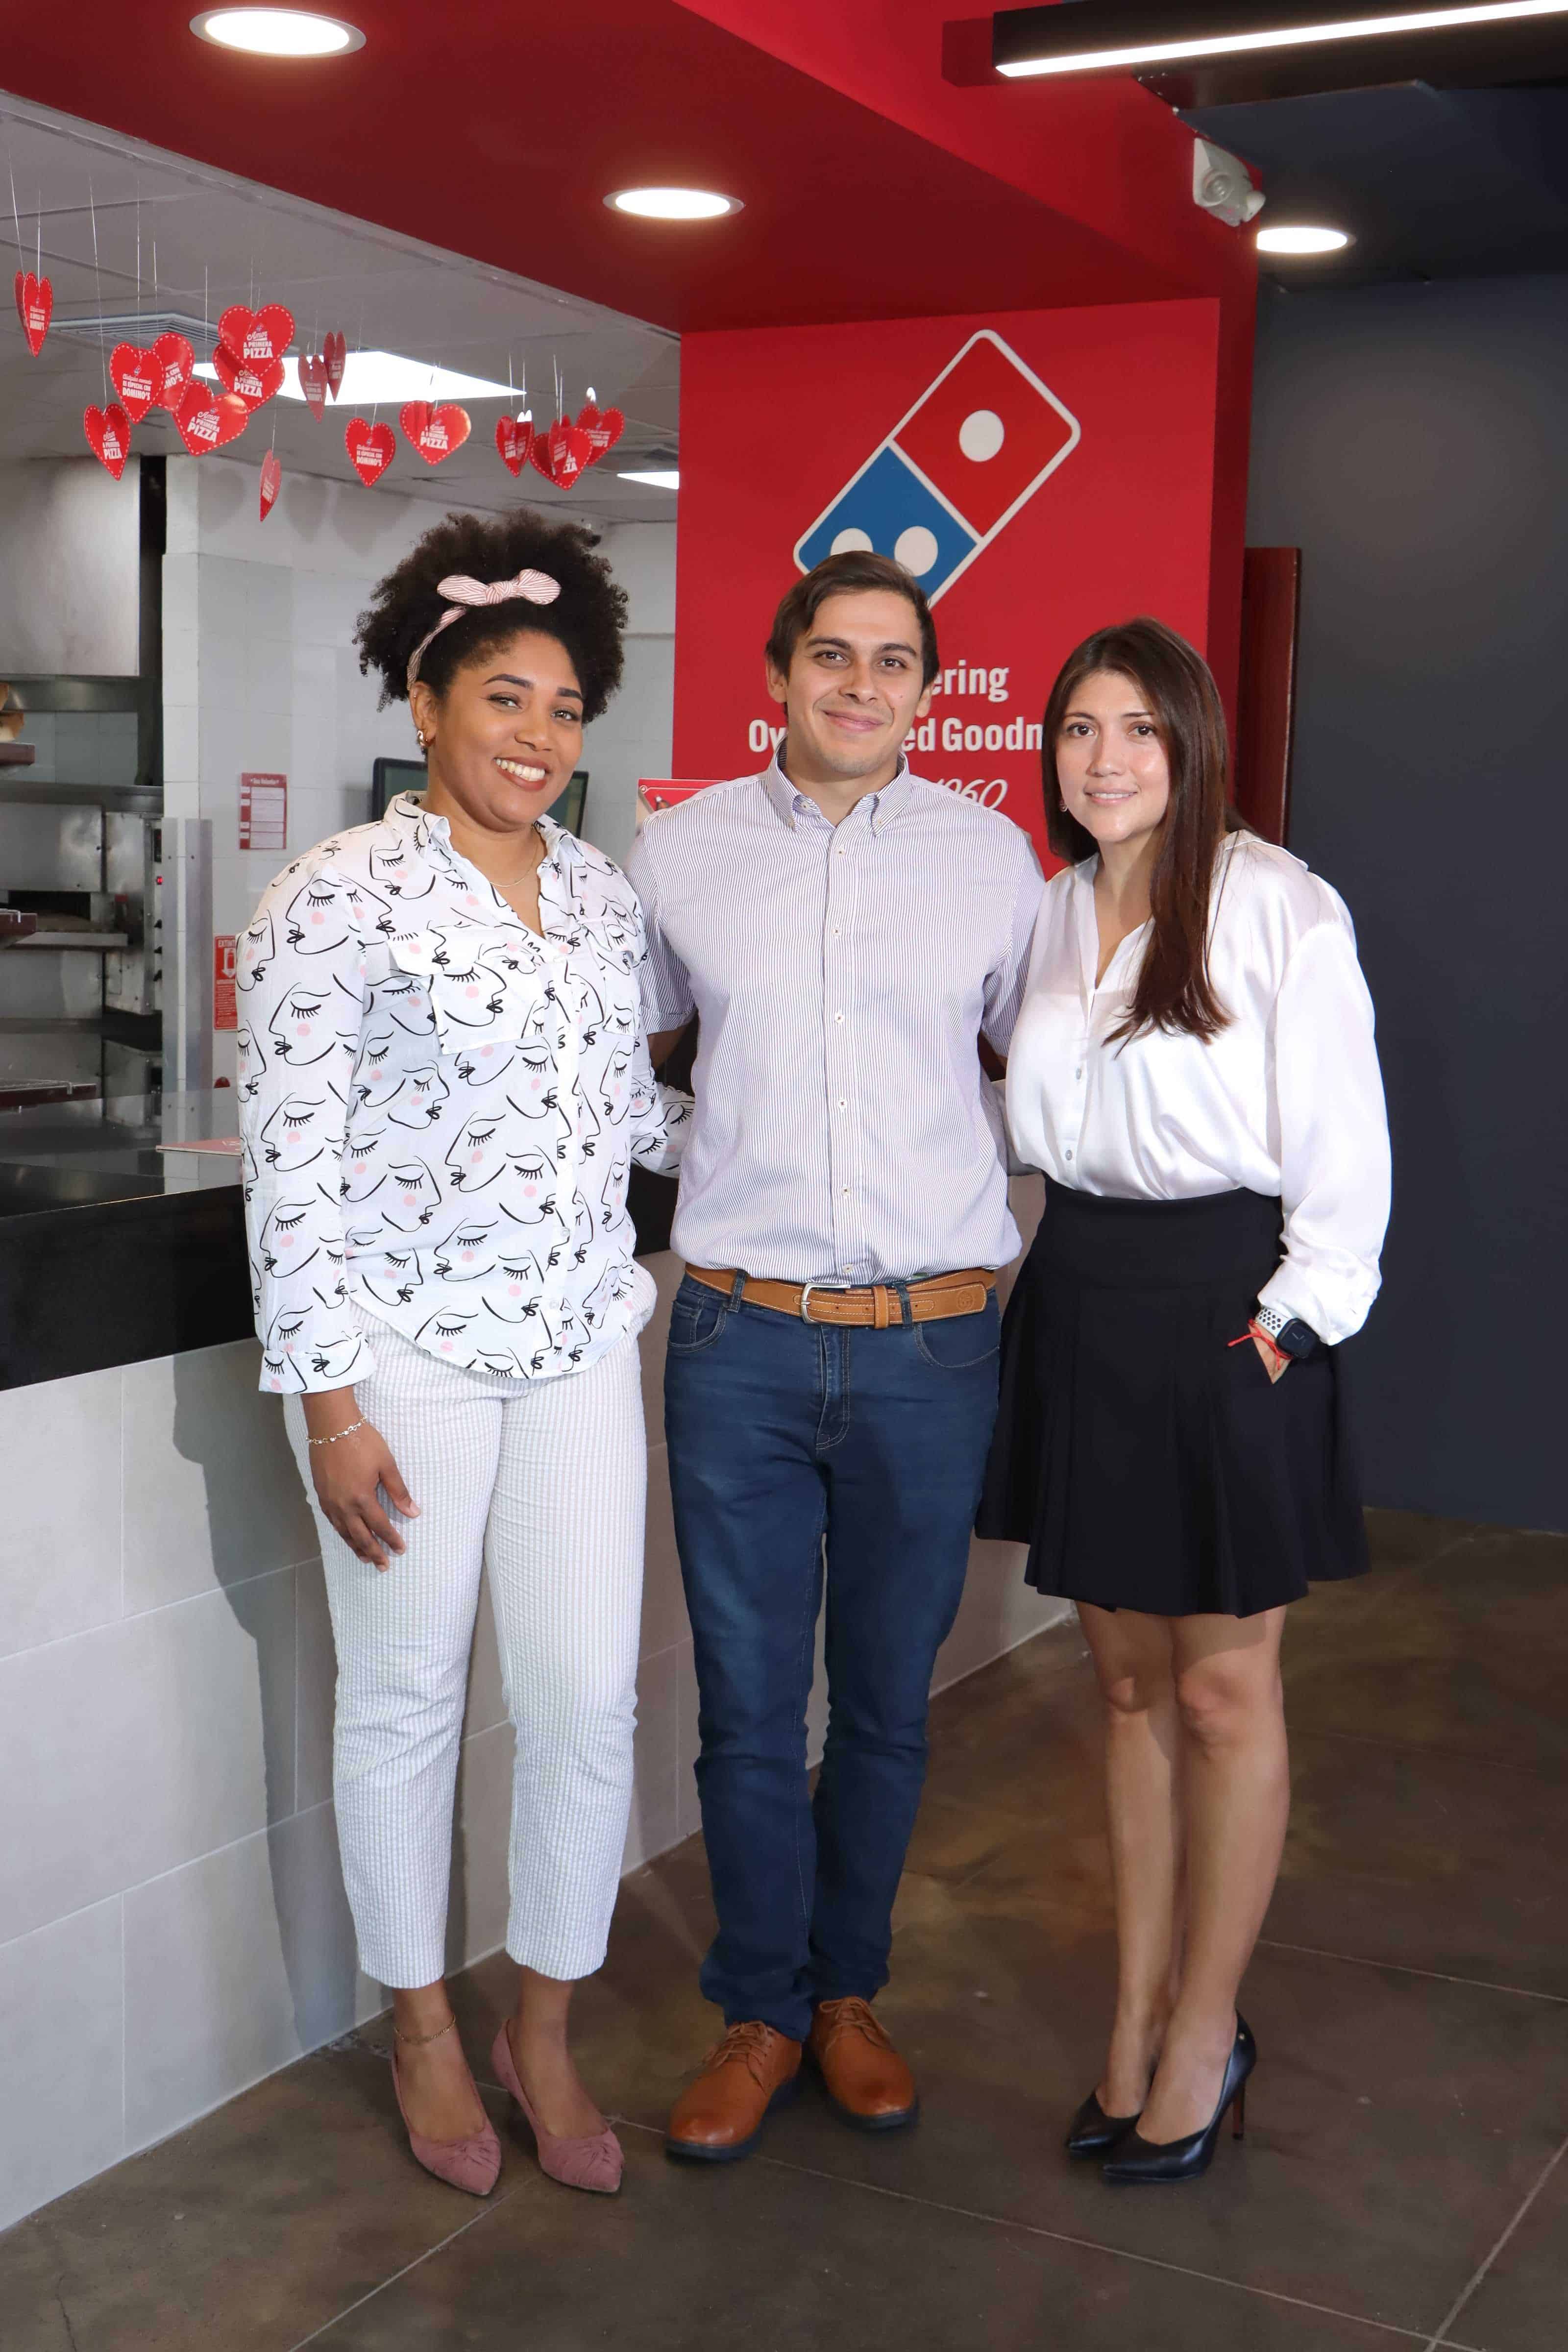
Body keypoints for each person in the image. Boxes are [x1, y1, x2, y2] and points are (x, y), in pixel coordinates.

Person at [237, 508, 689, 2201]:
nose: (540, 739)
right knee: (409, 1699)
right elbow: (288, 1166)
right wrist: (331, 1408)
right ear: (424, 704)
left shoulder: (598, 896)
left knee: (582, 1699)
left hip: (576, 1348)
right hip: (399, 1363)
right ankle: (425, 2020)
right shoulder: (329, 898)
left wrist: (811, 1124)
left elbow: (633, 1114)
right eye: (506, 697)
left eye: (567, 708)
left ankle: (543, 2020)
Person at [625, 549, 1044, 2162]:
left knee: (882, 1706)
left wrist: (967, 1157)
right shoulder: (683, 853)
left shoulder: (991, 860)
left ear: (927, 693)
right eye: (833, 657)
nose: (862, 686)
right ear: (781, 673)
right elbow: (619, 1055)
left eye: (894, 663)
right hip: (737, 1337)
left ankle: (850, 1993)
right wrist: (706, 1132)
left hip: (933, 1346)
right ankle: (761, 2010)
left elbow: (1045, 1069)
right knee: (745, 1708)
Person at [979, 617, 1390, 2184]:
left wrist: (1293, 1326)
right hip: (1082, 1300)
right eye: (1081, 728)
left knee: (1224, 1695)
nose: (1106, 758)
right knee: (1133, 1694)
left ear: (1193, 744)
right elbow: (1022, 1123)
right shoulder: (1048, 914)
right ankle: (1137, 2014)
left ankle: (1209, 2029)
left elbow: (1345, 1146)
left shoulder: (1276, 902)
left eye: (1139, 730)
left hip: (1233, 1314)